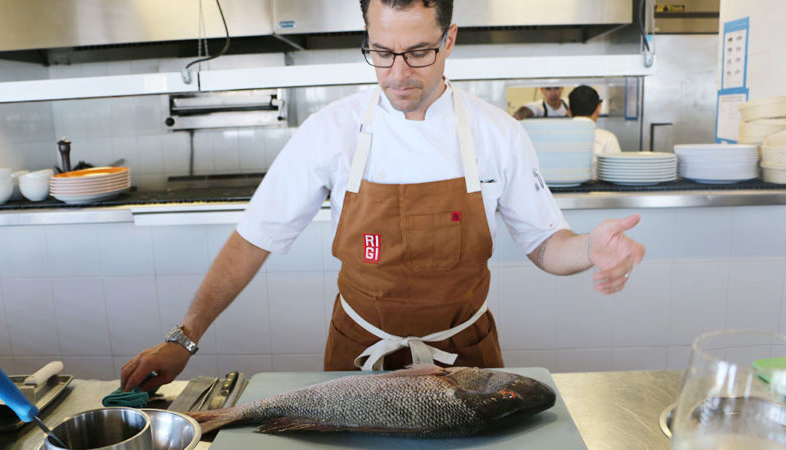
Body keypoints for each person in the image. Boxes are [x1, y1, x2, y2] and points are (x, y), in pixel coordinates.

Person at [120, 0, 645, 392]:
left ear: (449, 39)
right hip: (359, 353)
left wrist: (588, 249)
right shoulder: (333, 131)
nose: (398, 73)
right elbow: (253, 239)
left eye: (418, 52)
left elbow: (546, 244)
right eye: (381, 51)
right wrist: (185, 337)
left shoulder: (497, 133)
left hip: (466, 356)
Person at [568, 85, 622, 179]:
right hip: (601, 193)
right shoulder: (608, 139)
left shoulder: (556, 137)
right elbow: (618, 175)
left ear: (569, 110)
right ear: (598, 108)